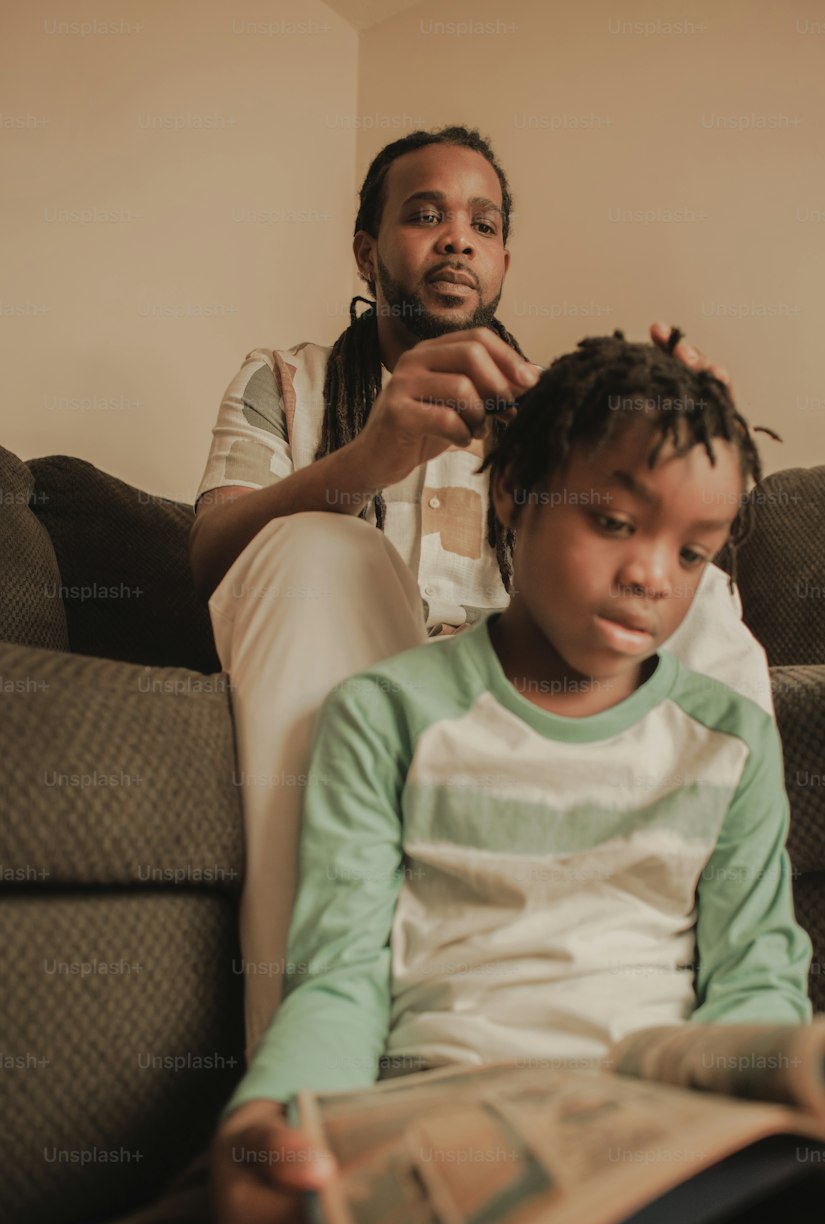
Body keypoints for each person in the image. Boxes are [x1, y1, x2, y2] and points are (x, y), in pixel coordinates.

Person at [211, 331, 813, 1224]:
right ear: (513, 493)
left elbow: (757, 978)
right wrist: (277, 1115)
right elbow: (340, 978)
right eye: (614, 521)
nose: (653, 576)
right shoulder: (383, 715)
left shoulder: (729, 739)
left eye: (693, 552)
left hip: (653, 1126)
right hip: (443, 1112)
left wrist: (781, 1091)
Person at [187, 124, 770, 1059]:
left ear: (501, 260)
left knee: (708, 604)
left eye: (483, 223)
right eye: (425, 214)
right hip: (356, 693)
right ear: (367, 250)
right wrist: (365, 460)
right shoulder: (285, 381)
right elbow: (214, 554)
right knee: (321, 554)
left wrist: (696, 443)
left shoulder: (553, 412)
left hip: (512, 701)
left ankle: (713, 1052)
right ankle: (307, 1080)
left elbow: (647, 568)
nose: (458, 237)